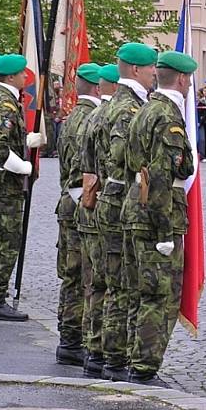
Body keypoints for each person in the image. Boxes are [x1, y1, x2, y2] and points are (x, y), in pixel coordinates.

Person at [123, 51, 196, 387]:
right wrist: (165, 230)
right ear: (181, 79)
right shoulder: (168, 116)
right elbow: (164, 175)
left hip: (138, 207)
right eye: (189, 79)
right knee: (159, 294)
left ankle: (133, 358)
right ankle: (143, 367)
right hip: (158, 213)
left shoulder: (146, 109)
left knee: (141, 289)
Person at [95, 42, 157, 381]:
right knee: (123, 286)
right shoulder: (128, 109)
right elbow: (122, 157)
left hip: (112, 199)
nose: (154, 75)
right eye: (151, 69)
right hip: (120, 203)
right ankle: (116, 361)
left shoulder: (118, 104)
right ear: (135, 70)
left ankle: (108, 357)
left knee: (117, 283)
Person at [0, 54, 44, 320]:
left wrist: (27, 141)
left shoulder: (7, 103)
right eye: (21, 75)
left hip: (3, 184)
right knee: (5, 241)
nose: (25, 78)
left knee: (4, 239)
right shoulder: (5, 105)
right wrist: (24, 167)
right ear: (10, 78)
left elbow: (8, 137)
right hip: (4, 184)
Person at [54, 62, 102, 365]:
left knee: (71, 274)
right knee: (86, 275)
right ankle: (76, 338)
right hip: (82, 203)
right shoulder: (91, 119)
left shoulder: (72, 118)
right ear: (98, 87)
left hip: (68, 201)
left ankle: (68, 337)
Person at [77, 63, 119, 378]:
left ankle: (91, 350)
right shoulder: (114, 117)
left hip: (87, 202)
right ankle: (102, 351)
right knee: (109, 284)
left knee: (93, 283)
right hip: (107, 206)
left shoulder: (90, 117)